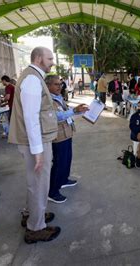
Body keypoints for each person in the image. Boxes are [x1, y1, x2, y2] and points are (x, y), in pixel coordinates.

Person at [8, 47, 61, 244]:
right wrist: (38, 151)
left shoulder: (33, 76)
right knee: (39, 184)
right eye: (49, 58)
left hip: (35, 141)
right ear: (38, 58)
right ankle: (35, 228)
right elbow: (31, 118)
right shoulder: (32, 79)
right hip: (35, 142)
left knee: (35, 182)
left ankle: (32, 214)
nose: (52, 62)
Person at [45, 75, 89, 203]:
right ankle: (52, 192)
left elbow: (66, 111)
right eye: (56, 84)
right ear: (47, 86)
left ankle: (63, 180)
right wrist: (74, 110)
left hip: (66, 132)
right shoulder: (47, 99)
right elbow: (56, 117)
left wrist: (80, 111)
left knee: (67, 159)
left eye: (60, 84)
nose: (60, 86)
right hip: (58, 136)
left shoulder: (58, 97)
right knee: (59, 162)